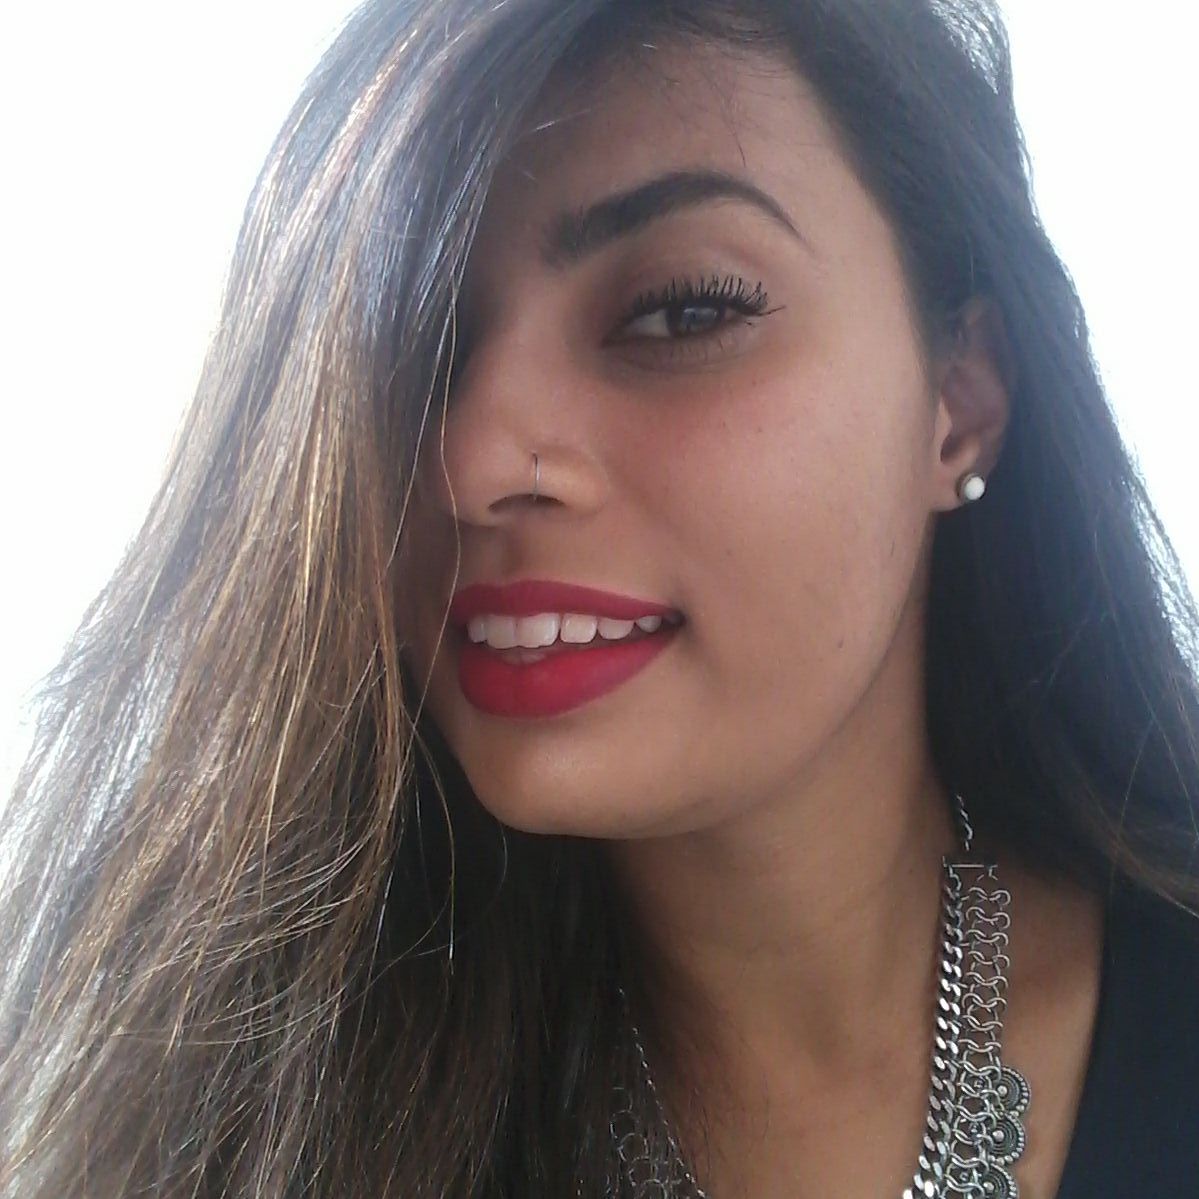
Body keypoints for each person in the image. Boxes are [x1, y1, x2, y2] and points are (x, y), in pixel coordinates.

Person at [2, 0, 1197, 1195]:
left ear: (959, 403)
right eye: (413, 340)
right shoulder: (228, 1131)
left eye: (681, 310)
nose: (471, 459)